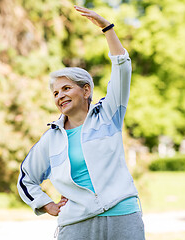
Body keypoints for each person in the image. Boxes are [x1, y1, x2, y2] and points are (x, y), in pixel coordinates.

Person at [17, 5, 145, 240]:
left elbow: (122, 68)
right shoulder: (52, 138)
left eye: (66, 88)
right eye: (55, 93)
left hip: (123, 217)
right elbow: (27, 178)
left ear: (86, 90)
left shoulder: (108, 114)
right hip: (77, 224)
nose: (60, 96)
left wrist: (107, 29)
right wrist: (47, 205)